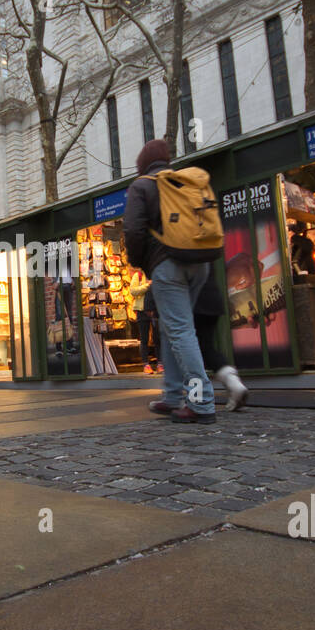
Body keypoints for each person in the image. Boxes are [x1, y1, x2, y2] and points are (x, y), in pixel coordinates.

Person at [123, 138, 216, 423]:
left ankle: (202, 403)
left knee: (180, 331)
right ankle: (174, 394)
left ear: (142, 162)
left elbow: (134, 231)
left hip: (168, 265)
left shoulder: (141, 186)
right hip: (200, 263)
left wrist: (140, 263)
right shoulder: (183, 182)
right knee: (171, 330)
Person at [193, 274, 248, 411]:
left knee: (194, 350)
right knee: (206, 347)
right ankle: (233, 382)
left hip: (194, 302)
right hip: (213, 300)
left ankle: (196, 397)